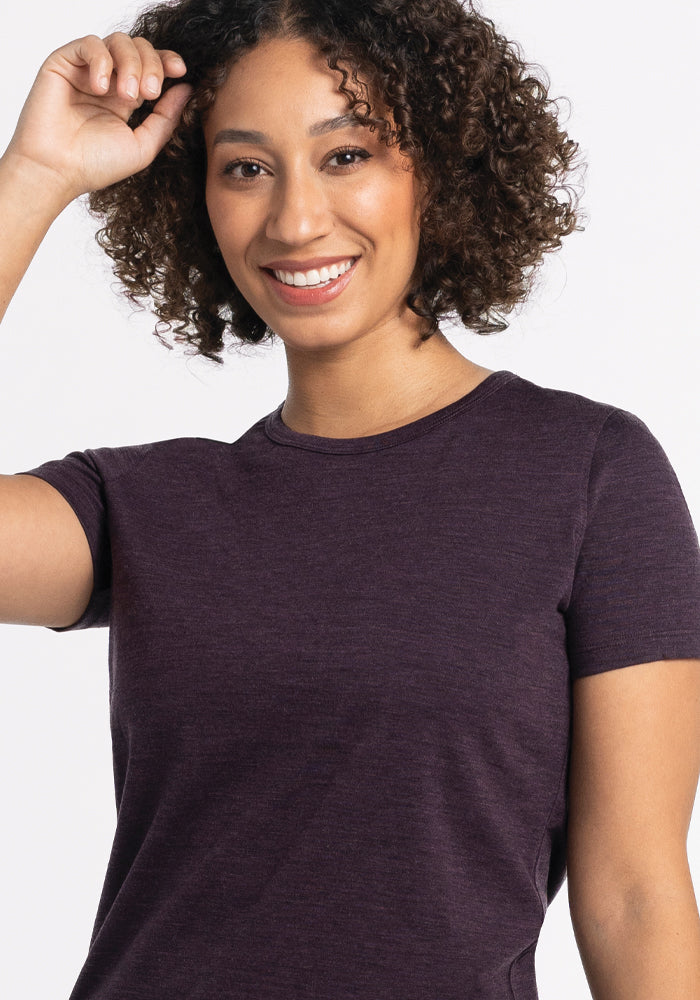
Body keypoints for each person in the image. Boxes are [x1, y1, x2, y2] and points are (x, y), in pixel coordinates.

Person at [1, 0, 699, 998]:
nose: (292, 219)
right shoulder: (146, 506)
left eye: (346, 155)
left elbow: (634, 892)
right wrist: (33, 177)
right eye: (246, 167)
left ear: (438, 168)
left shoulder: (588, 474)